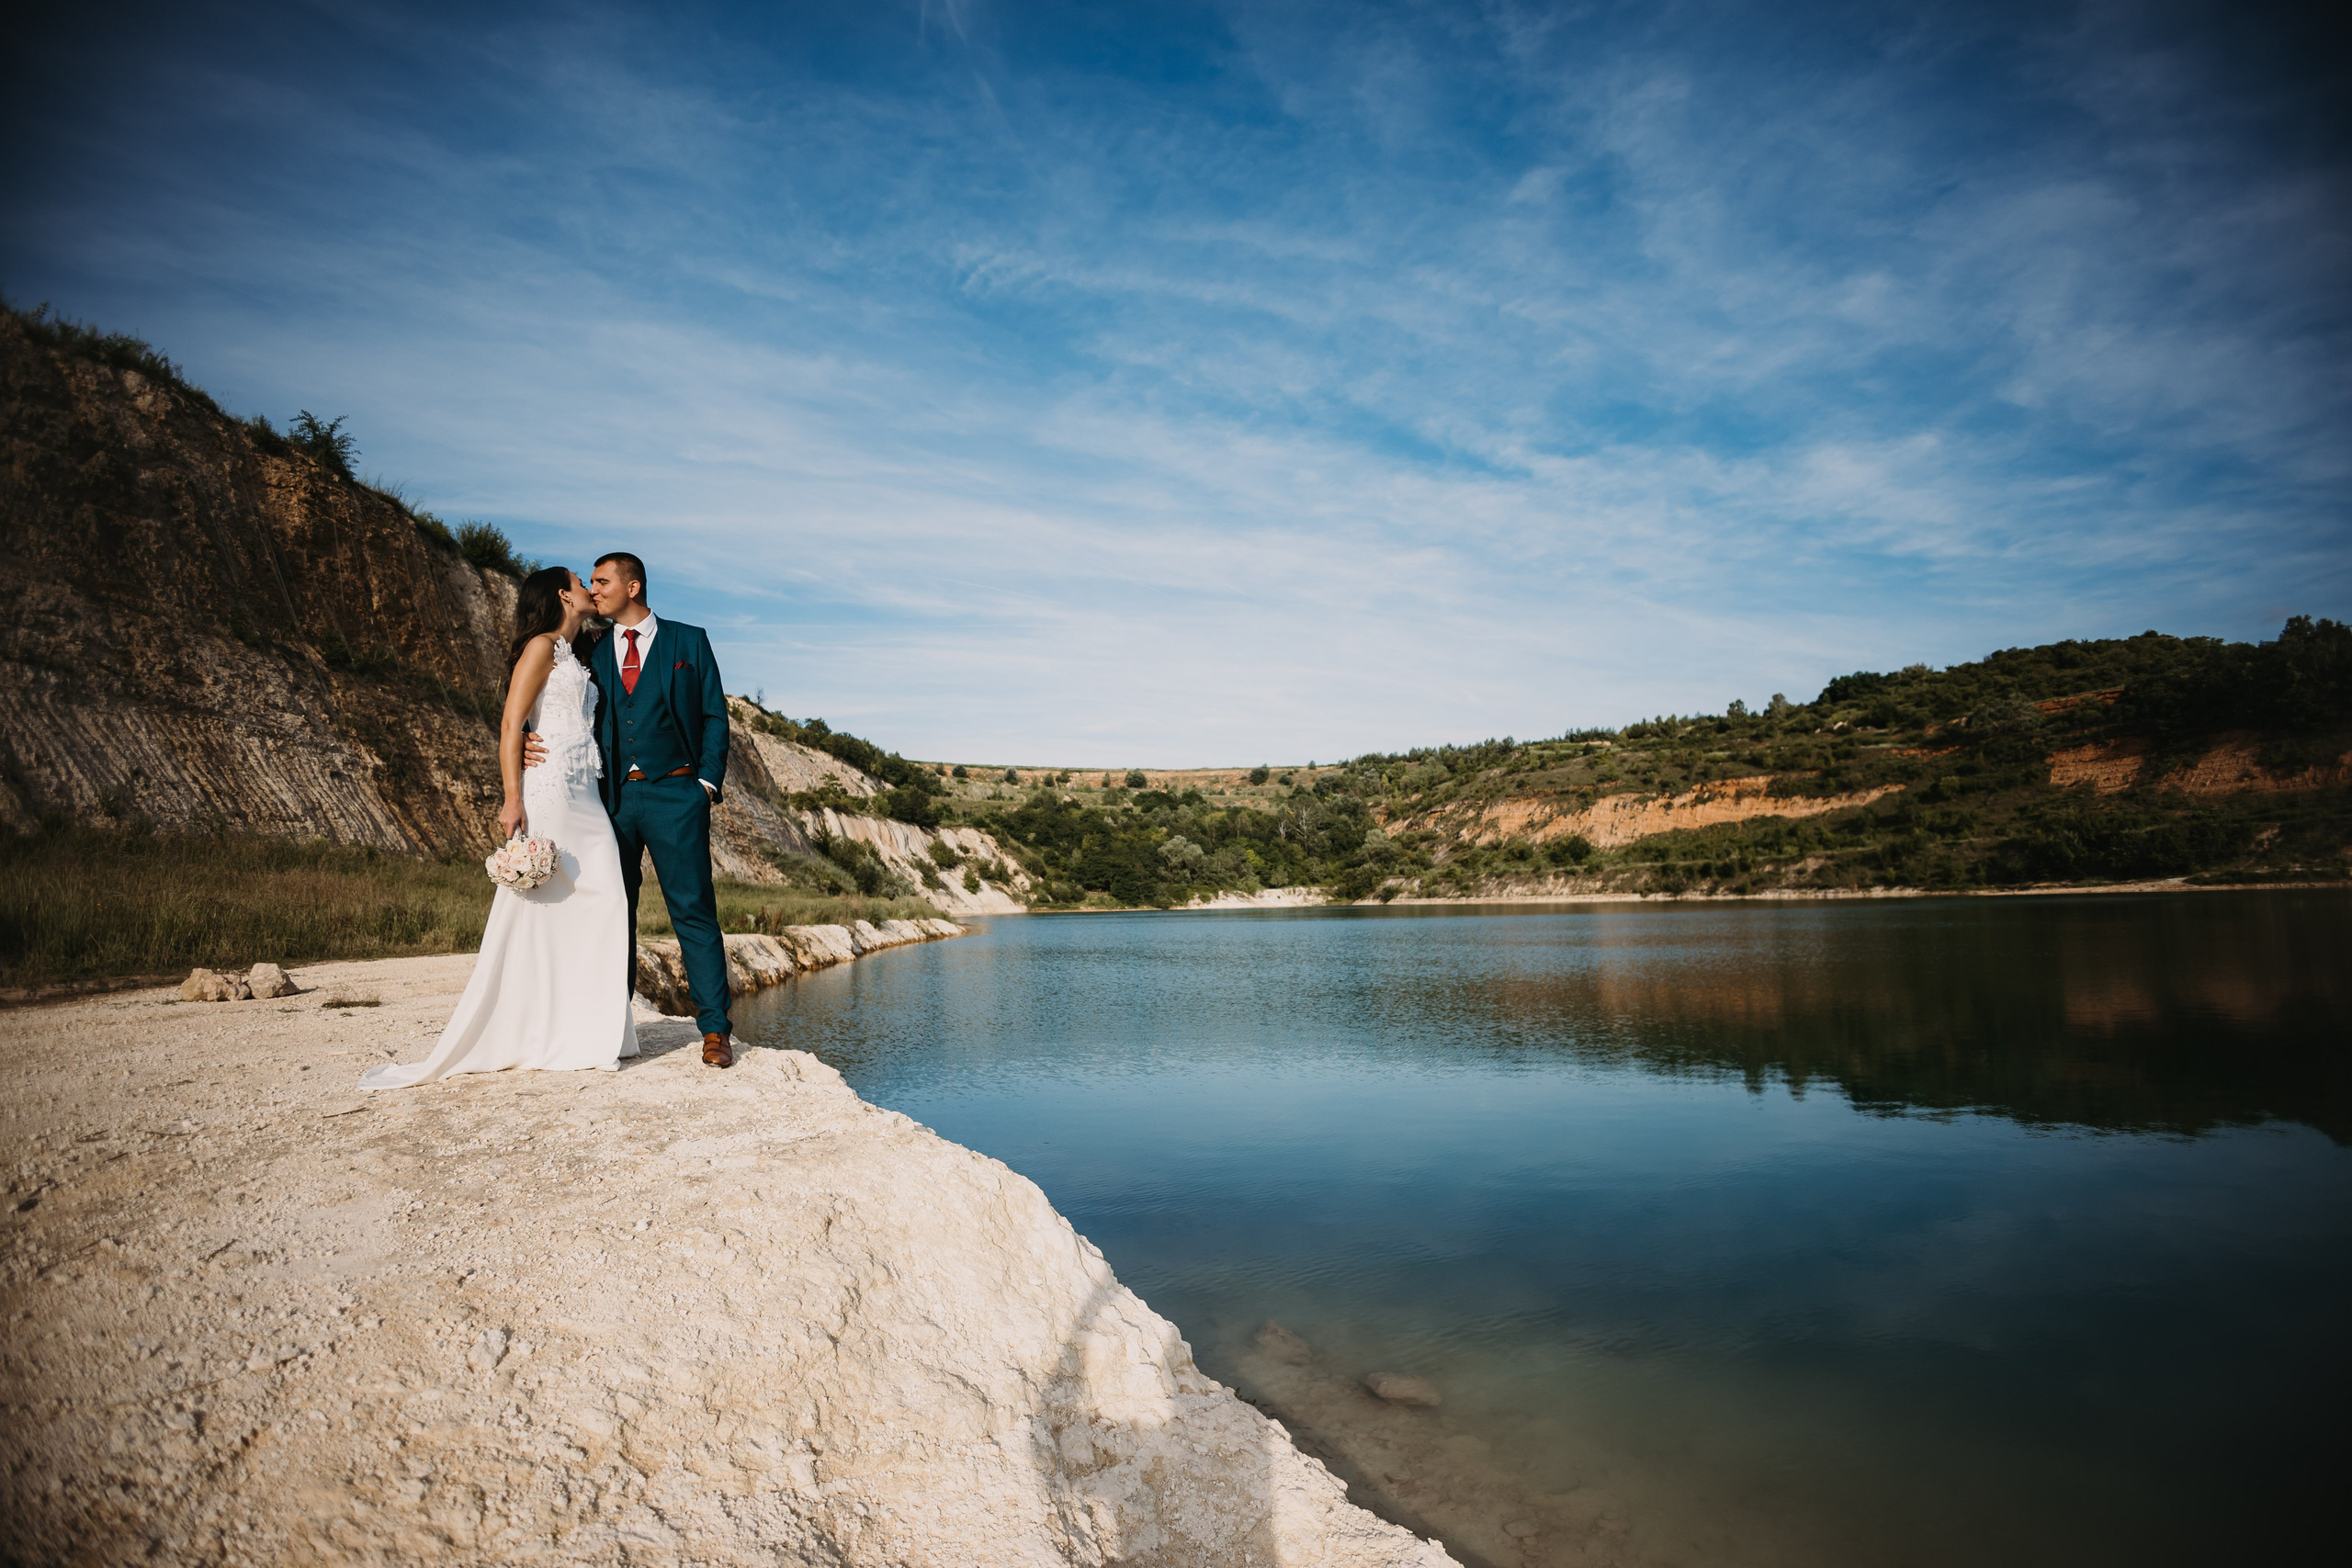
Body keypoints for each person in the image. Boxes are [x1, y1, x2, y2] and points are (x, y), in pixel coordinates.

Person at [359, 568, 638, 1089]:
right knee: (543, 908)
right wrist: (513, 798)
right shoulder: (540, 646)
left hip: (587, 792)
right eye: (582, 582)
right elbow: (513, 723)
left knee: (604, 901)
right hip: (550, 789)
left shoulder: (577, 650)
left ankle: (590, 1029)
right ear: (562, 594)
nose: (590, 590)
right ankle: (542, 1031)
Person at [527, 551, 736, 1067]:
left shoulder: (689, 640)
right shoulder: (589, 649)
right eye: (591, 583)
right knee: (612, 913)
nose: (593, 590)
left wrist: (705, 785)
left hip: (677, 795)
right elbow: (530, 692)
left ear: (633, 586)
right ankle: (609, 1026)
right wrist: (523, 738)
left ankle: (714, 1030)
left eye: (601, 581)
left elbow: (714, 714)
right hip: (610, 802)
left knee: (693, 913)